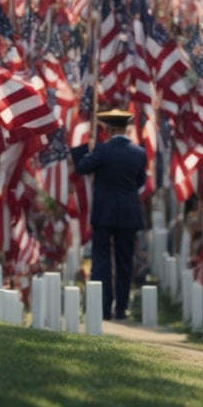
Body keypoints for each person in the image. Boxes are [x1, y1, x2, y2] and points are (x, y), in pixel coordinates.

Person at [71, 108, 147, 320]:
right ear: (125, 128)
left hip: (104, 213)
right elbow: (140, 181)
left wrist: (84, 148)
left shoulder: (102, 151)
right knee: (124, 263)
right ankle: (121, 309)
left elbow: (82, 167)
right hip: (129, 214)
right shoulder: (139, 152)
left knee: (102, 262)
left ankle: (104, 310)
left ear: (110, 129)